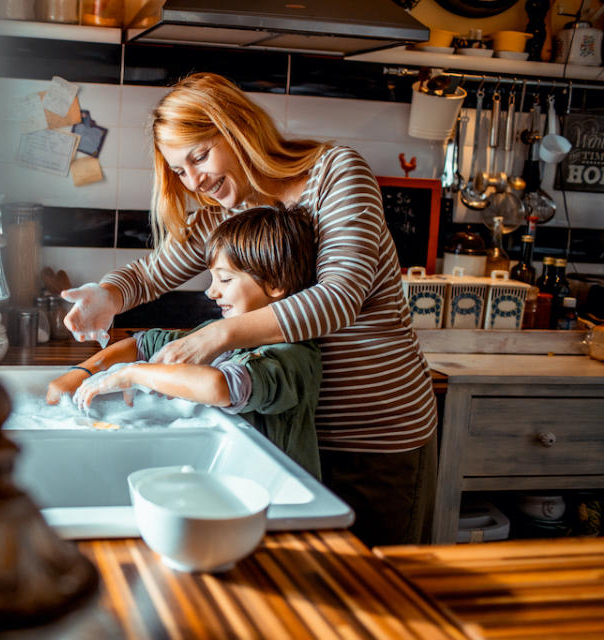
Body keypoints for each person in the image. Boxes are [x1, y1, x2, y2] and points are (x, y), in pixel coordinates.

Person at [59, 72, 438, 547]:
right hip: (292, 439)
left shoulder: (335, 172)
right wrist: (106, 295)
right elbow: (150, 274)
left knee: (381, 594)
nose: (194, 180)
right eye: (179, 170)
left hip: (375, 436)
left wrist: (217, 335)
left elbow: (340, 297)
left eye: (199, 156)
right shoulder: (224, 212)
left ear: (238, 129)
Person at [48, 204, 323, 478]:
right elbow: (143, 344)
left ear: (275, 283)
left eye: (225, 279)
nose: (211, 292)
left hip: (278, 500)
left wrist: (135, 374)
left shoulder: (292, 354)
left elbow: (222, 386)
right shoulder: (217, 330)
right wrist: (81, 372)